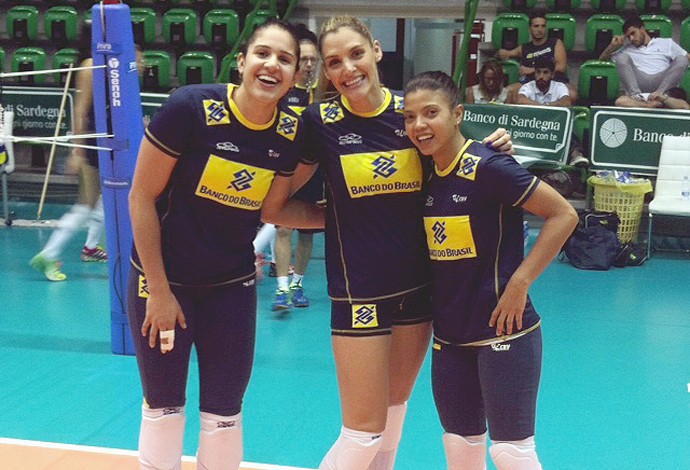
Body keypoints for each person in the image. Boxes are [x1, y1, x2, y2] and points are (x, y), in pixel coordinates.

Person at [298, 16, 513, 470]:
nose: (347, 68)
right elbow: (276, 205)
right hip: (359, 291)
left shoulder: (409, 112)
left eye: (356, 54)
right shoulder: (319, 121)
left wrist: (491, 147)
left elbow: (457, 159)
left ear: (376, 50)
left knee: (394, 418)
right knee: (361, 434)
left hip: (418, 290)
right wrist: (337, 218)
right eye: (334, 62)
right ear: (326, 72)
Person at [126, 19, 323, 470]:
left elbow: (273, 209)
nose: (272, 65)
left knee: (225, 416)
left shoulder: (290, 133)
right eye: (263, 53)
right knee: (164, 407)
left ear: (295, 76)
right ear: (242, 61)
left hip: (229, 287)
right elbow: (141, 197)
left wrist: (342, 220)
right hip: (164, 283)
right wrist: (158, 290)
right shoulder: (190, 108)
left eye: (285, 59)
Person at [402, 70, 578, 470]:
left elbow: (563, 214)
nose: (419, 125)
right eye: (410, 117)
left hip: (504, 330)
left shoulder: (490, 165)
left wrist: (521, 281)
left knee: (511, 453)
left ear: (458, 113)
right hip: (449, 337)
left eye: (431, 113)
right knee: (460, 447)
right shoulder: (423, 174)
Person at [30, 37, 108, 281]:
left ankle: (91, 247)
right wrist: (78, 151)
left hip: (107, 145)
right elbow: (80, 111)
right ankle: (49, 254)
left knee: (102, 203)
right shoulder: (89, 65)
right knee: (85, 207)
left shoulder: (111, 67)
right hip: (93, 147)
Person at [272, 24, 325, 311]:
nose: (307, 65)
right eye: (302, 59)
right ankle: (281, 288)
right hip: (287, 168)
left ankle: (298, 284)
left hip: (315, 173)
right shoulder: (284, 92)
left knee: (306, 233)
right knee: (282, 229)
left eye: (312, 60)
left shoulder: (328, 93)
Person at [517, 57, 588, 169]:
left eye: (545, 72)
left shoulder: (559, 87)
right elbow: (521, 101)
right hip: (533, 128)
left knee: (568, 123)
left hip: (555, 128)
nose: (541, 76)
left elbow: (566, 102)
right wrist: (545, 108)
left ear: (552, 74)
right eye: (538, 72)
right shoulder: (528, 86)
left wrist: (544, 108)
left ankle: (576, 155)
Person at [599, 16, 690, 102]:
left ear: (642, 29)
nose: (631, 38)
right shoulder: (627, 49)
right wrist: (612, 46)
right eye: (628, 36)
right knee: (622, 57)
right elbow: (601, 62)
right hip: (639, 80)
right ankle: (636, 96)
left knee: (682, 59)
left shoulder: (666, 43)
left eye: (633, 33)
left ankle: (659, 95)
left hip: (662, 80)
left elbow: (687, 58)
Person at [497, 13, 577, 103]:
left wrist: (532, 70)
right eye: (536, 26)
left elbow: (561, 67)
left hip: (554, 80)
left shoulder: (556, 43)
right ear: (529, 28)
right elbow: (505, 53)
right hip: (530, 82)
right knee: (508, 92)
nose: (540, 29)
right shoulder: (524, 47)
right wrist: (502, 53)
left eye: (543, 26)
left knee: (572, 93)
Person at [615, 86, 690, 110]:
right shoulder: (649, 98)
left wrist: (664, 99)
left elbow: (685, 106)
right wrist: (646, 105)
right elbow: (620, 101)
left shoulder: (679, 104)